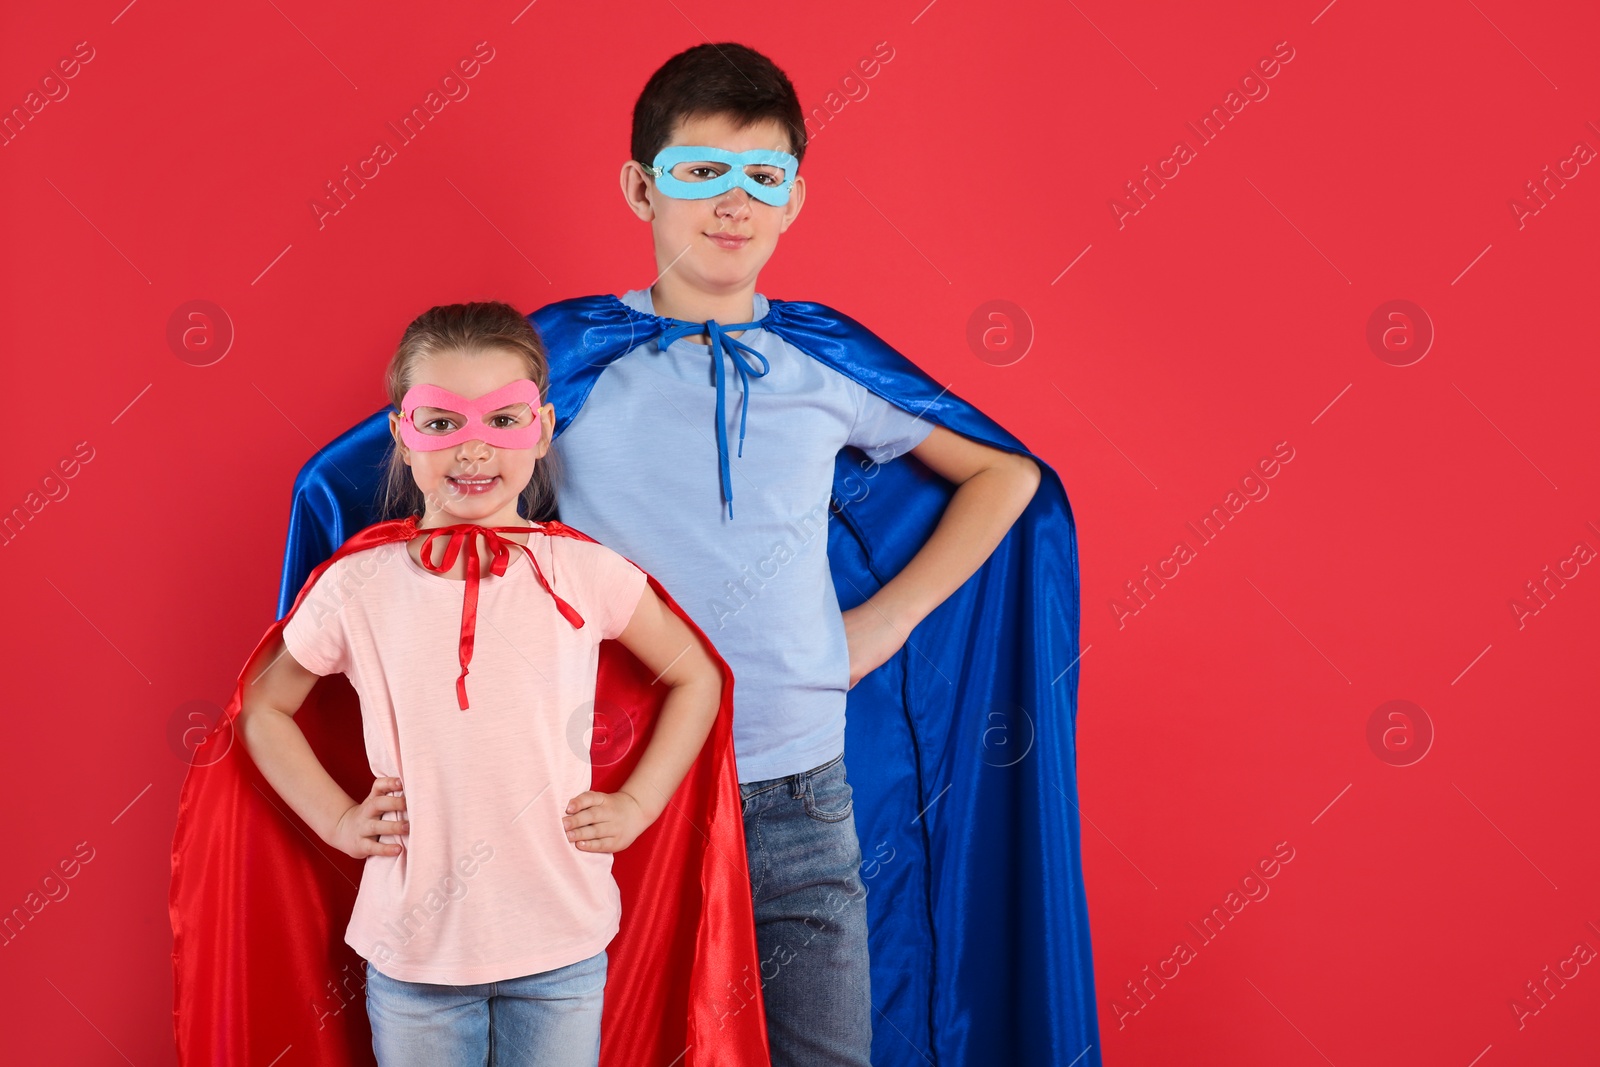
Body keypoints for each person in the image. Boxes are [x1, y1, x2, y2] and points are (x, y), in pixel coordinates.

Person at [274, 44, 1101, 1067]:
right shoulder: (564, 361)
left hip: (798, 790)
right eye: (698, 172)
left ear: (795, 198)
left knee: (826, 1052)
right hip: (617, 791)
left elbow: (1004, 476)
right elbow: (401, 468)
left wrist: (878, 624)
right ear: (639, 187)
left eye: (762, 177)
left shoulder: (824, 362)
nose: (731, 203)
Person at [170, 303, 772, 1067]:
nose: (474, 449)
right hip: (414, 952)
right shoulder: (358, 585)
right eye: (442, 422)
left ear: (544, 427)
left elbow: (697, 676)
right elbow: (263, 707)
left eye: (503, 419)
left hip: (562, 941)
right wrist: (338, 821)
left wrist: (638, 802)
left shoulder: (582, 571)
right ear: (401, 432)